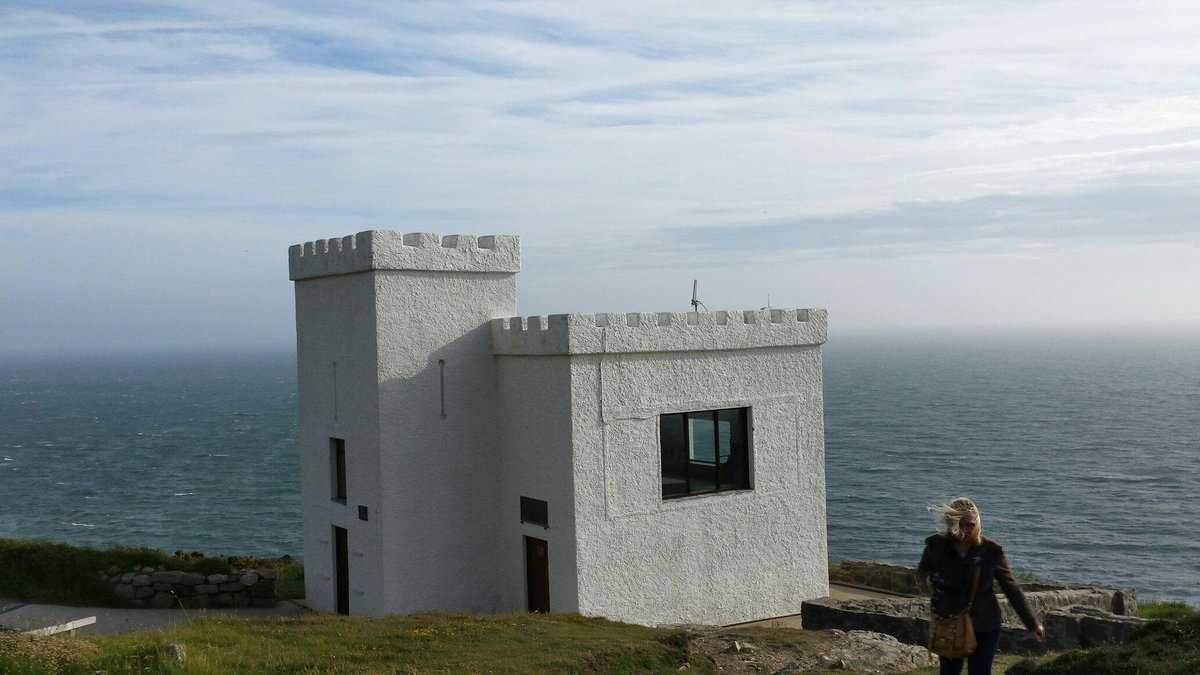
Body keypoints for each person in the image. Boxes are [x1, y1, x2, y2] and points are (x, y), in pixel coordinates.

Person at [917, 497, 1045, 675]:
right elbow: (923, 569)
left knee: (980, 671)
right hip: (949, 620)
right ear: (951, 523)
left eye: (971, 524)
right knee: (949, 672)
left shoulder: (991, 551)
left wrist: (1032, 625)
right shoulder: (936, 546)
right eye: (962, 525)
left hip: (986, 623)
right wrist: (928, 579)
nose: (967, 530)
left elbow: (1011, 588)